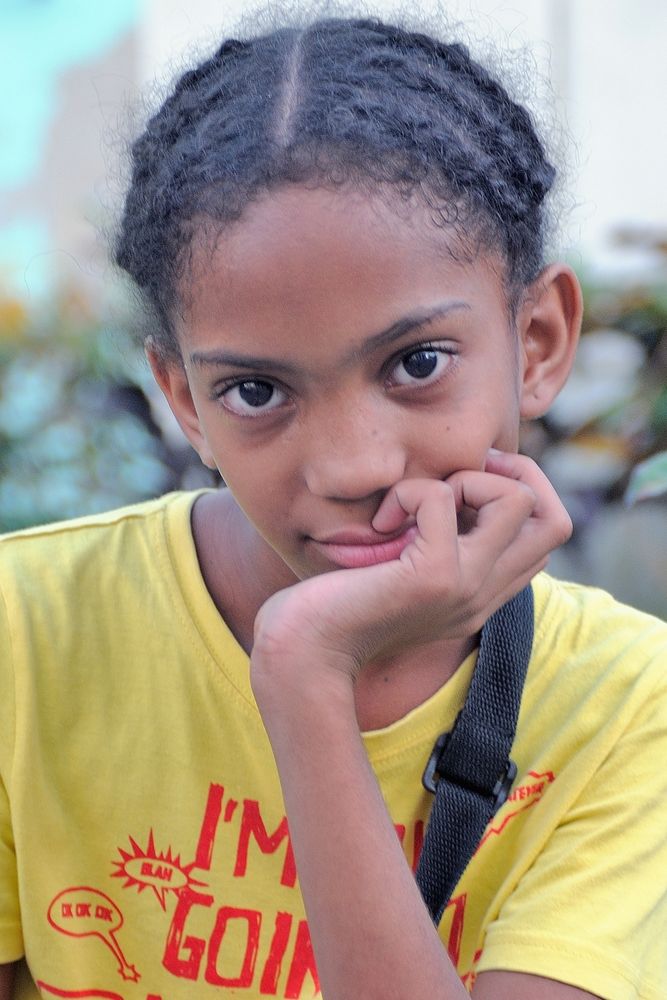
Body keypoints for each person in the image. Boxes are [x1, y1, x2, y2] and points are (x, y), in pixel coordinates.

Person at [0, 13, 665, 1000]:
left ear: (535, 342)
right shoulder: (27, 632)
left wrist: (305, 674)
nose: (353, 466)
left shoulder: (628, 711)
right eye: (256, 391)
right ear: (183, 397)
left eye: (416, 363)